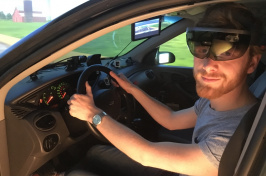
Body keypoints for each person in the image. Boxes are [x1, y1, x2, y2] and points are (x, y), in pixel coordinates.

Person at [66, 2, 263, 176]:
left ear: (252, 63)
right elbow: (170, 120)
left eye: (227, 51)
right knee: (94, 153)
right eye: (202, 48)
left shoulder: (230, 139)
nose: (207, 64)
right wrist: (133, 90)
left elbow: (146, 154)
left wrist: (94, 114)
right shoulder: (214, 102)